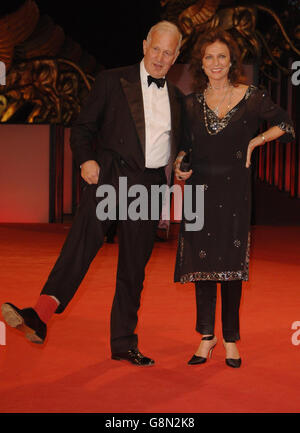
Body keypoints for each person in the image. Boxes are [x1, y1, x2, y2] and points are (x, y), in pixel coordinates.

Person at [1, 21, 183, 366]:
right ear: (144, 45)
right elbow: (83, 128)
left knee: (133, 269)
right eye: (156, 48)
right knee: (81, 244)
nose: (160, 57)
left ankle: (124, 343)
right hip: (111, 176)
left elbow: (181, 145)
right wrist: (85, 160)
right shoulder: (112, 81)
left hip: (148, 187)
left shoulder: (176, 97)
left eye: (168, 52)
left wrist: (182, 165)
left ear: (176, 56)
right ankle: (40, 313)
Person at [173, 29, 295, 368]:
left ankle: (229, 340)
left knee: (230, 268)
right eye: (209, 57)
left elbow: (285, 124)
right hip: (199, 192)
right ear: (201, 62)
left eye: (221, 57)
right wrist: (180, 166)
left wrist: (255, 143)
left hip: (234, 191)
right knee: (202, 267)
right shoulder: (190, 102)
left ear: (231, 62)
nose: (215, 63)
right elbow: (185, 146)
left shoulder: (252, 97)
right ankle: (205, 337)